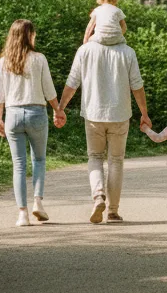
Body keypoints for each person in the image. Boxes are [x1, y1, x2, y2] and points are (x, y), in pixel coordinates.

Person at [58, 34, 150, 223]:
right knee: (116, 161)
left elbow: (72, 82)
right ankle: (113, 211)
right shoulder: (128, 52)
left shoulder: (85, 50)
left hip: (93, 114)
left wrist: (60, 108)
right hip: (120, 114)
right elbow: (137, 86)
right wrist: (144, 113)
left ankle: (98, 196)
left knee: (95, 157)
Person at [0, 19, 65, 227]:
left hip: (13, 115)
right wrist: (58, 110)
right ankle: (38, 203)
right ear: (29, 35)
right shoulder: (39, 58)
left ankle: (22, 214)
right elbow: (49, 89)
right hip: (36, 112)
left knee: (19, 165)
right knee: (39, 160)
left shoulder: (4, 61)